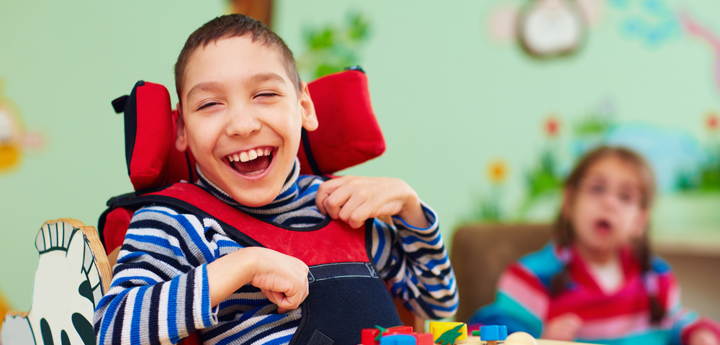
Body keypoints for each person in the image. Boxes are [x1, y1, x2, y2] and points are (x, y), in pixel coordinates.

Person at [93, 14, 457, 345]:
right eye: (210, 105)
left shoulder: (344, 207)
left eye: (265, 95)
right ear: (182, 130)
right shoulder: (175, 222)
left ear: (304, 108)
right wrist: (241, 266)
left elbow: (438, 303)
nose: (242, 125)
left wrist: (411, 208)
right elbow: (111, 330)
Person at [468, 146, 720, 345]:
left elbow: (677, 323)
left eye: (625, 196)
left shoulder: (656, 278)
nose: (609, 203)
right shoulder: (531, 277)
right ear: (569, 202)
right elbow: (485, 333)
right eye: (597, 189)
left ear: (640, 221)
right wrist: (540, 340)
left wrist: (699, 335)